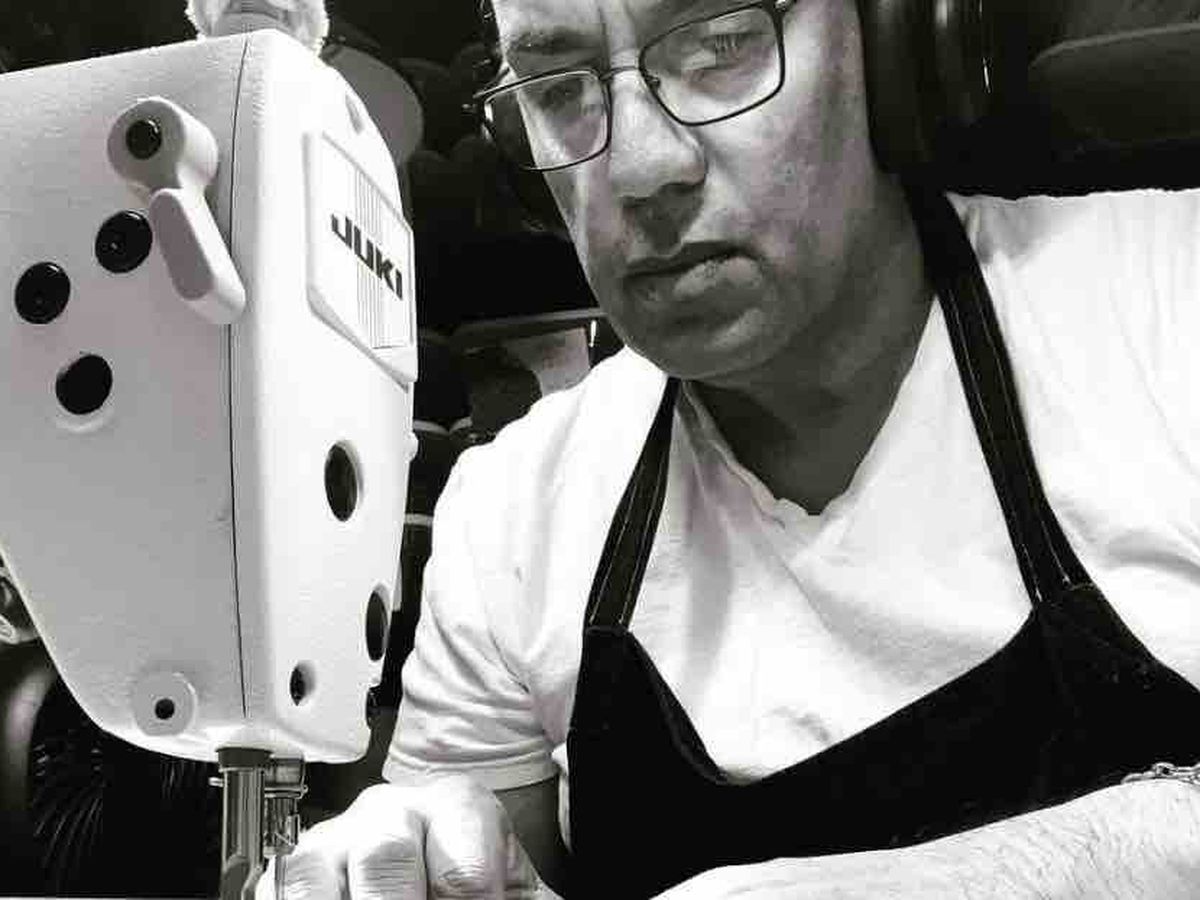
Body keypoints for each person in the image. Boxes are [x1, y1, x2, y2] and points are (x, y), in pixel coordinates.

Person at [269, 0, 1200, 896]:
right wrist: (410, 864)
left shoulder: (1168, 294)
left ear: (886, 45)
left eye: (723, 43)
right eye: (558, 90)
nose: (640, 167)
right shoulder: (509, 516)